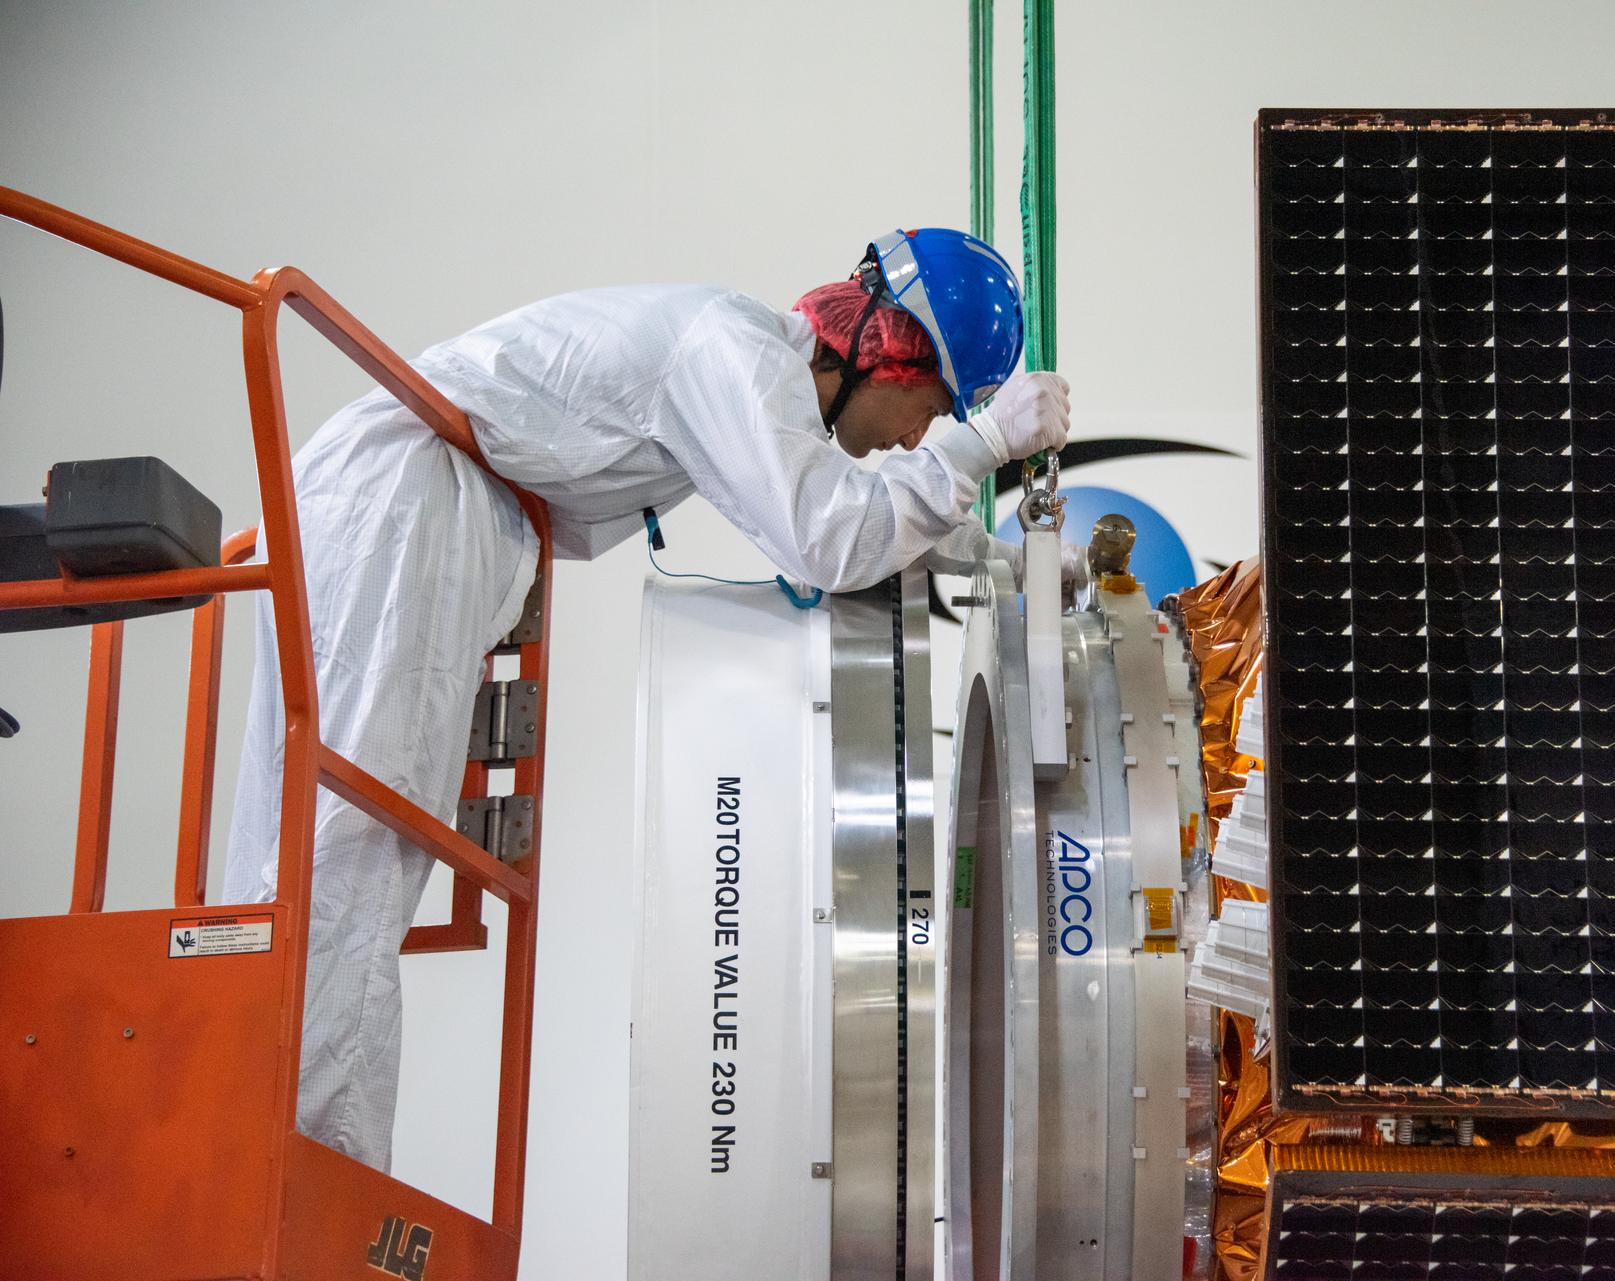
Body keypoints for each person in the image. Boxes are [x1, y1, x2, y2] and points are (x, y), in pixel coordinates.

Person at [222, 228, 1070, 1169]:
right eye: (934, 407)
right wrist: (983, 444)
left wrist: (1001, 557)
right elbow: (830, 536)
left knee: (314, 843)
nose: (917, 436)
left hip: (400, 498)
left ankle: (258, 1133)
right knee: (353, 851)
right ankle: (296, 1171)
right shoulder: (734, 351)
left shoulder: (754, 372)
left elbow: (834, 505)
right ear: (889, 349)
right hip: (408, 500)